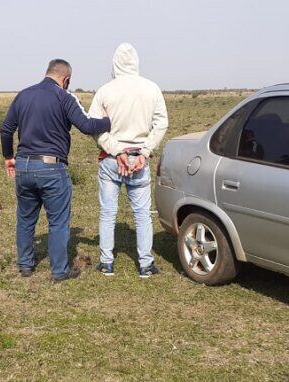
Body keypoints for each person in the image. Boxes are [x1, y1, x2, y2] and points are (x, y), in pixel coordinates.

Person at [0, 59, 111, 282]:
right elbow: (88, 126)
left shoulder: (23, 95)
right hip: (52, 167)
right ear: (66, 79)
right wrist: (108, 121)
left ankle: (25, 265)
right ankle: (60, 271)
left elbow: (6, 128)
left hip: (24, 166)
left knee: (25, 218)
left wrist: (9, 157)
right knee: (58, 221)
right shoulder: (64, 97)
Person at [87, 43, 169, 278]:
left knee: (108, 212)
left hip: (111, 160)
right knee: (142, 214)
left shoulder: (104, 91)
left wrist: (117, 151)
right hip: (139, 160)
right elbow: (161, 123)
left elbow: (95, 127)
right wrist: (144, 152)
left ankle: (106, 263)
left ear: (114, 64)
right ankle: (145, 264)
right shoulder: (152, 88)